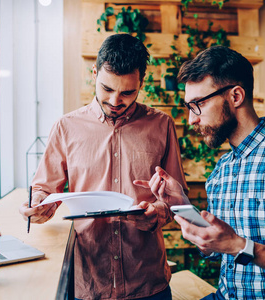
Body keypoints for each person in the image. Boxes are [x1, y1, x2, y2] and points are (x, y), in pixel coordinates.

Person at [135, 46, 265, 299]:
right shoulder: (222, 171)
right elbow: (219, 248)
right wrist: (181, 203)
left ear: (235, 96)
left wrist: (239, 246)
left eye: (197, 104)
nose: (191, 119)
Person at [19, 33, 188, 300]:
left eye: (127, 92)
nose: (115, 101)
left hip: (147, 282)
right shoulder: (65, 127)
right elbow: (42, 189)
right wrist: (39, 204)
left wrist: (157, 212)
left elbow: (177, 200)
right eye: (107, 89)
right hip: (88, 282)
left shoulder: (162, 125)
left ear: (141, 82)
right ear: (94, 72)